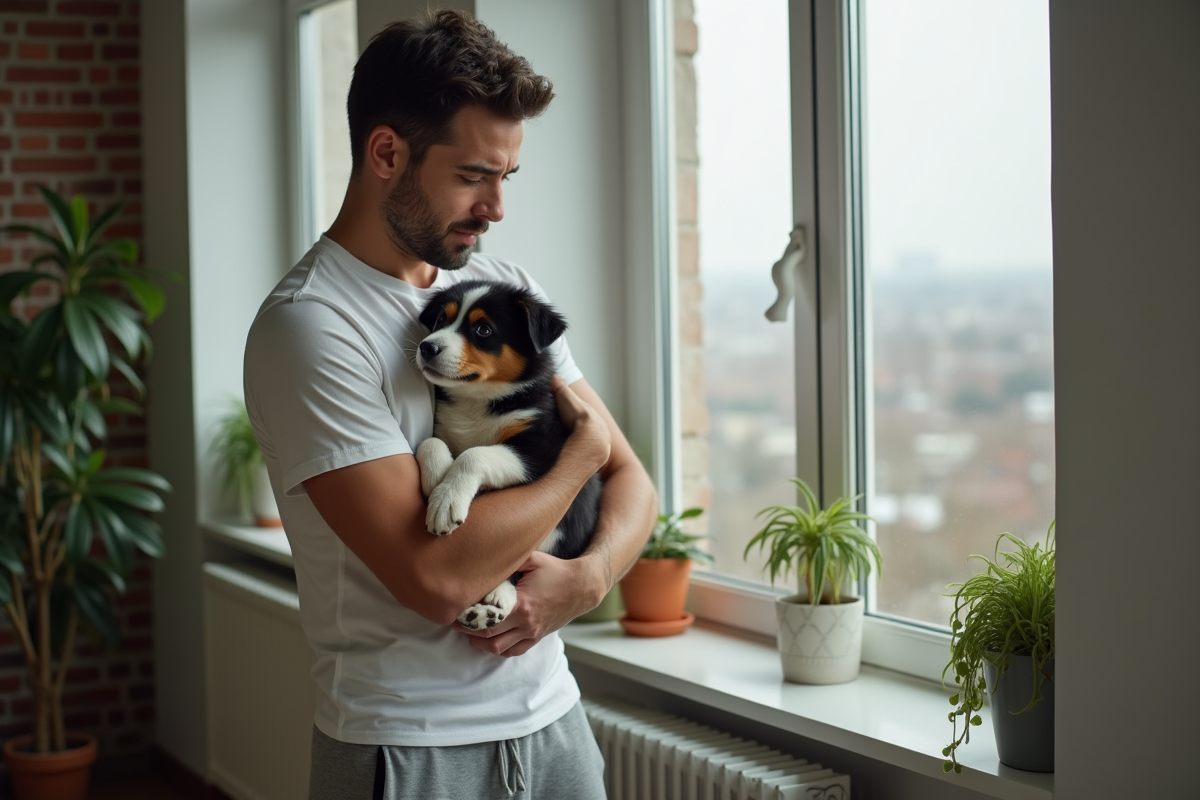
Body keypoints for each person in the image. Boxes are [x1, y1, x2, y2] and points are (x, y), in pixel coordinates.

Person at [242, 9, 657, 800]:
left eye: (507, 177)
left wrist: (590, 576)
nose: (496, 207)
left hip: (555, 722)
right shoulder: (310, 328)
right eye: (474, 176)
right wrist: (577, 458)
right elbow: (436, 581)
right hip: (408, 747)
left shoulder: (505, 293)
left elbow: (633, 477)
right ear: (387, 153)